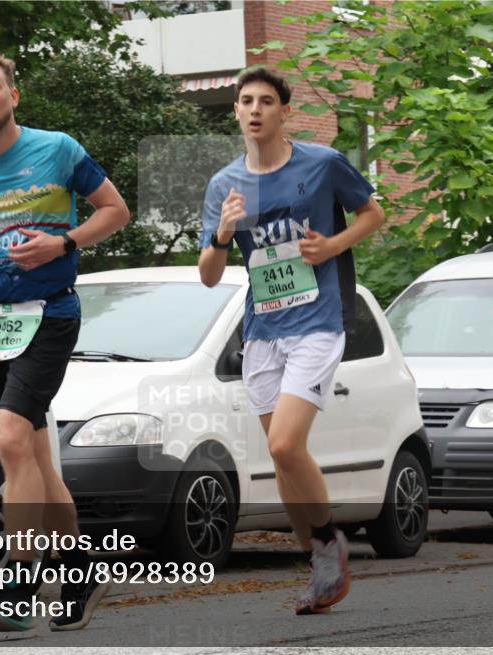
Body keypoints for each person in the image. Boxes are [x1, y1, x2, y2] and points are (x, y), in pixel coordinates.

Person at [0, 51, 130, 632]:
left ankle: (19, 578)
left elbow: (116, 210)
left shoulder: (57, 149)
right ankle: (80, 570)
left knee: (12, 439)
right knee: (36, 458)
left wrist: (63, 244)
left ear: (14, 96)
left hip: (51, 313)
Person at [197, 66, 385, 615]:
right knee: (285, 463)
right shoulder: (223, 185)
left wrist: (332, 248)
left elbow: (374, 213)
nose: (254, 110)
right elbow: (209, 275)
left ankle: (328, 545)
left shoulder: (322, 165)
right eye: (245, 101)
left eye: (266, 101)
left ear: (284, 111)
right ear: (236, 111)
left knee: (283, 445)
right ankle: (320, 563)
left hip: (319, 321)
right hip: (262, 331)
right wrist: (224, 235)